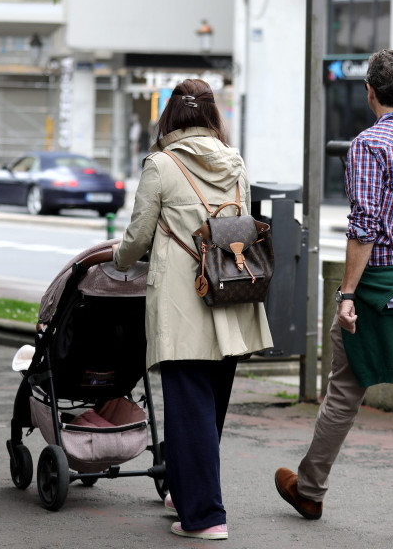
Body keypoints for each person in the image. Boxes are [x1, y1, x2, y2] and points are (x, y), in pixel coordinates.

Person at [273, 49, 393, 543]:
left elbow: (364, 229)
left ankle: (310, 490)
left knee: (344, 390)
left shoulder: (367, 145)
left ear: (369, 91)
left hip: (377, 289)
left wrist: (347, 294)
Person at [112, 78, 273, 541]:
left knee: (188, 410)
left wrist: (118, 260)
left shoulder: (161, 164)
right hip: (232, 295)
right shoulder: (235, 162)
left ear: (170, 116)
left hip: (184, 304)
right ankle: (182, 492)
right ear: (211, 116)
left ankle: (204, 516)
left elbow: (139, 236)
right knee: (208, 410)